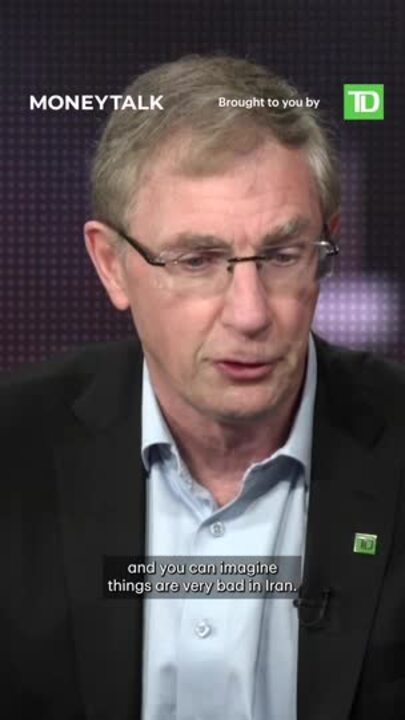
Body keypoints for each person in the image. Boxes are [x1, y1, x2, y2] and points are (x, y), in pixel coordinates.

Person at [1, 54, 404, 720]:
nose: (249, 313)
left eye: (282, 256)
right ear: (112, 265)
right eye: (197, 260)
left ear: (326, 249)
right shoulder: (13, 451)